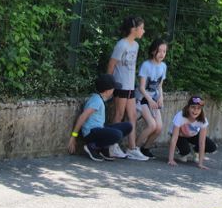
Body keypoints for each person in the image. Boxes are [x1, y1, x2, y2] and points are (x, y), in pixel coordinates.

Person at [107, 16, 148, 161]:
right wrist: (109, 86)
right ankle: (111, 146)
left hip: (130, 86)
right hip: (120, 85)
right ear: (133, 29)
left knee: (132, 116)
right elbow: (111, 65)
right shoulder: (121, 44)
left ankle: (131, 148)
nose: (143, 31)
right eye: (141, 28)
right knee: (119, 115)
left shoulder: (135, 45)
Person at [67, 74, 133, 162]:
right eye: (113, 88)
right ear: (108, 91)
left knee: (128, 126)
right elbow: (82, 117)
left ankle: (104, 149)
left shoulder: (100, 98)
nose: (114, 90)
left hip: (99, 129)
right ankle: (92, 146)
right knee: (117, 135)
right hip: (91, 133)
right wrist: (73, 136)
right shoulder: (96, 100)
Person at [135, 38, 168, 159]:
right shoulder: (146, 65)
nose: (162, 54)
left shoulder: (163, 66)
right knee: (152, 125)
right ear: (153, 51)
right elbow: (142, 88)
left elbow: (159, 86)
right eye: (159, 51)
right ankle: (134, 148)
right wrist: (150, 100)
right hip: (142, 98)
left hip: (154, 99)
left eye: (164, 51)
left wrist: (161, 98)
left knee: (159, 128)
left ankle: (145, 148)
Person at [167, 96, 217, 169]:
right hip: (180, 135)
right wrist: (171, 159)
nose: (195, 110)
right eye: (193, 107)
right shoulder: (180, 116)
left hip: (193, 135)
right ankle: (180, 151)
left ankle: (195, 151)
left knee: (212, 147)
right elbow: (174, 138)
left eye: (198, 108)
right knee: (185, 152)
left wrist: (200, 164)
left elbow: (202, 142)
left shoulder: (203, 120)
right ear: (188, 107)